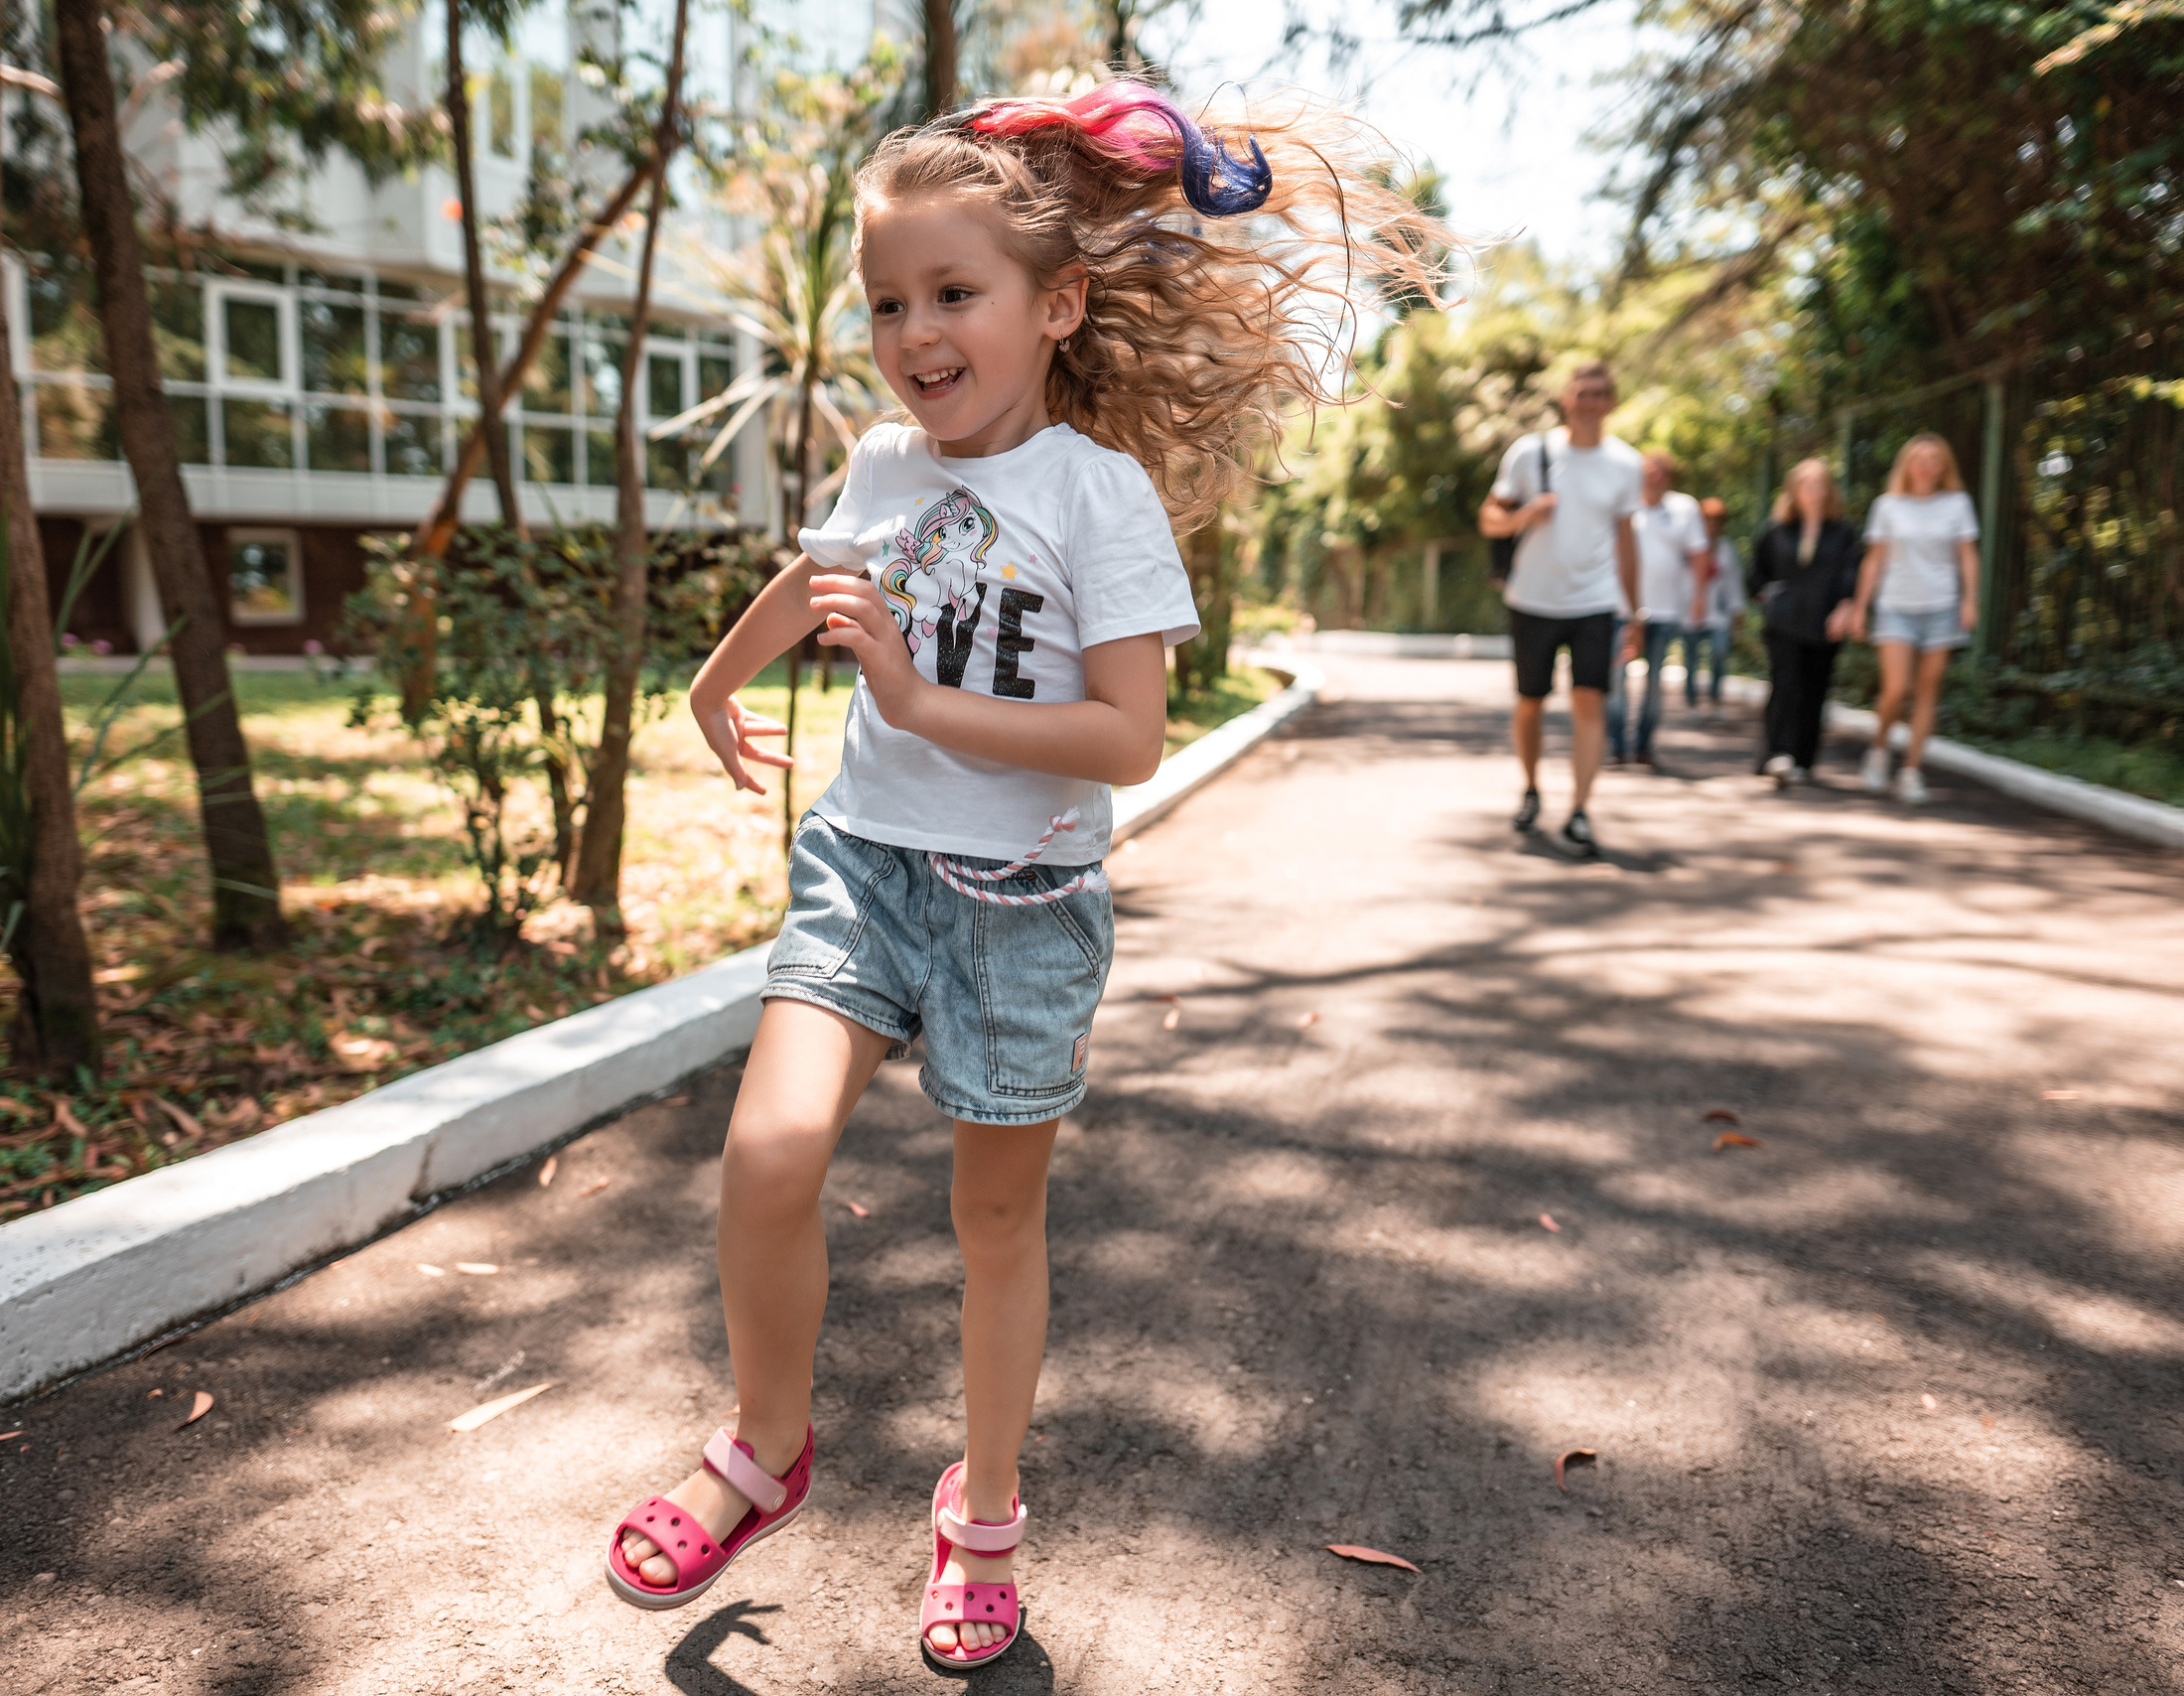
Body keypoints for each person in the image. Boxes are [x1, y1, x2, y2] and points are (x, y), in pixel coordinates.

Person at [604, 82, 1448, 1672]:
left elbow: (1129, 738)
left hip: (1021, 915)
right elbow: (822, 571)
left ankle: (983, 1507)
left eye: (953, 294)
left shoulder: (1096, 497)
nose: (916, 331)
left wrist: (919, 703)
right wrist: (719, 682)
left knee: (998, 1224)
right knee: (768, 1154)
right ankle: (764, 1449)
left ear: (1055, 305)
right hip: (865, 870)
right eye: (888, 302)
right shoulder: (882, 461)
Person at [1479, 360, 1644, 852]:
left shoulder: (1626, 463)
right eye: (1581, 392)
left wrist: (1634, 612)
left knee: (1589, 699)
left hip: (1595, 600)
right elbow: (1490, 519)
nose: (1589, 401)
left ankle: (1579, 810)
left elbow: (1626, 540)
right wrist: (1527, 513)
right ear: (1566, 399)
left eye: (1599, 393)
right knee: (1531, 702)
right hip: (1533, 598)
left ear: (1610, 401)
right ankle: (1531, 788)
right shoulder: (1532, 453)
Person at [1853, 431, 1981, 803]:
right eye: (1919, 459)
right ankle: (1878, 751)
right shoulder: (1888, 505)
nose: (1926, 466)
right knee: (1897, 689)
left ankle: (1911, 771)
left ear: (1944, 467)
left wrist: (1970, 600)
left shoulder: (1957, 504)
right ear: (1907, 465)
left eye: (1934, 460)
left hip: (1941, 607)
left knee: (1928, 692)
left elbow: (1967, 555)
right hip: (1895, 605)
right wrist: (1861, 607)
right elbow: (1874, 559)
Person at [1746, 457, 1860, 785]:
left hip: (1824, 623)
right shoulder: (1777, 529)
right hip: (1783, 622)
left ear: (1828, 490)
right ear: (1794, 490)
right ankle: (1777, 753)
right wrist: (1768, 598)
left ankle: (1804, 759)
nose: (1813, 492)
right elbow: (1756, 572)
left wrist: (1845, 608)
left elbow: (1850, 573)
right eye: (1806, 485)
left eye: (1819, 485)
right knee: (1785, 684)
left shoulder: (1841, 533)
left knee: (1815, 688)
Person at [1604, 449, 1711, 769]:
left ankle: (1644, 746)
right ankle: (1617, 747)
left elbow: (1699, 556)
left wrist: (1699, 598)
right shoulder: (1623, 507)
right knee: (1616, 680)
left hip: (1664, 611)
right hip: (1620, 609)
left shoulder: (1684, 508)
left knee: (1653, 682)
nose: (1654, 478)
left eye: (1661, 472)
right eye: (1648, 472)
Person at [1679, 495, 1742, 716]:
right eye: (1707, 519)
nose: (1712, 524)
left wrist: (1737, 612)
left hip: (1718, 614)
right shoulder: (1686, 547)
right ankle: (1692, 703)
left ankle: (1716, 700)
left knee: (1719, 653)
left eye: (1717, 520)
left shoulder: (1726, 549)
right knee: (1691, 660)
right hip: (1689, 614)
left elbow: (1733, 583)